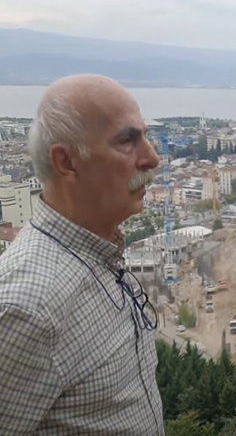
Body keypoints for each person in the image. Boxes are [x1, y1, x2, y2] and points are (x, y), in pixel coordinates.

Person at [0, 74, 164, 435]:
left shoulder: (99, 256)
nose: (152, 158)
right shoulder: (26, 308)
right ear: (67, 162)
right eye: (127, 141)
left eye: (145, 136)